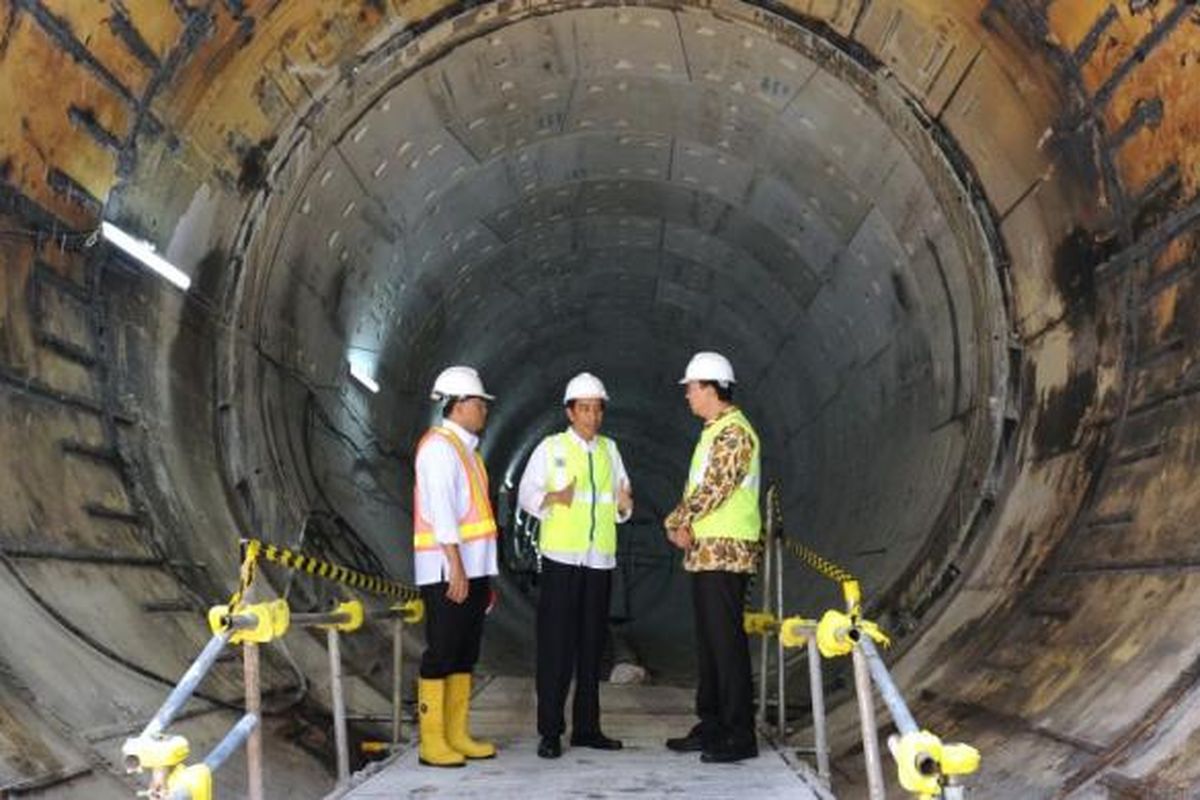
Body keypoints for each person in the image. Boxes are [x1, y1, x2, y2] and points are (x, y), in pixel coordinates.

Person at [517, 372, 634, 759]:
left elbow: (622, 504)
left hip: (599, 562)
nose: (592, 416)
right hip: (561, 562)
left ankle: (587, 729)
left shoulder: (610, 451)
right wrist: (555, 497)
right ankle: (550, 731)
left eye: (598, 409)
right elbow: (526, 497)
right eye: (584, 408)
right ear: (570, 412)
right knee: (555, 649)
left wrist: (623, 506)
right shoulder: (549, 449)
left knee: (591, 648)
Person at [663, 352, 762, 764]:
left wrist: (676, 519)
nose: (687, 394)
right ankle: (713, 724)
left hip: (727, 550)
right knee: (709, 644)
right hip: (708, 550)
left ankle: (740, 734)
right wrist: (687, 525)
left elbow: (716, 487)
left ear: (710, 387)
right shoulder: (713, 430)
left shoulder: (734, 433)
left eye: (691, 387)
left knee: (726, 644)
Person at [412, 365, 500, 768]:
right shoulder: (439, 448)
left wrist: (485, 575)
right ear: (459, 405)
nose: (484, 410)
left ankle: (456, 734)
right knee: (442, 651)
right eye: (479, 403)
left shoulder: (468, 452)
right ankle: (433, 743)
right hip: (448, 571)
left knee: (465, 653)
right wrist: (458, 568)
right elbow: (443, 512)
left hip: (474, 569)